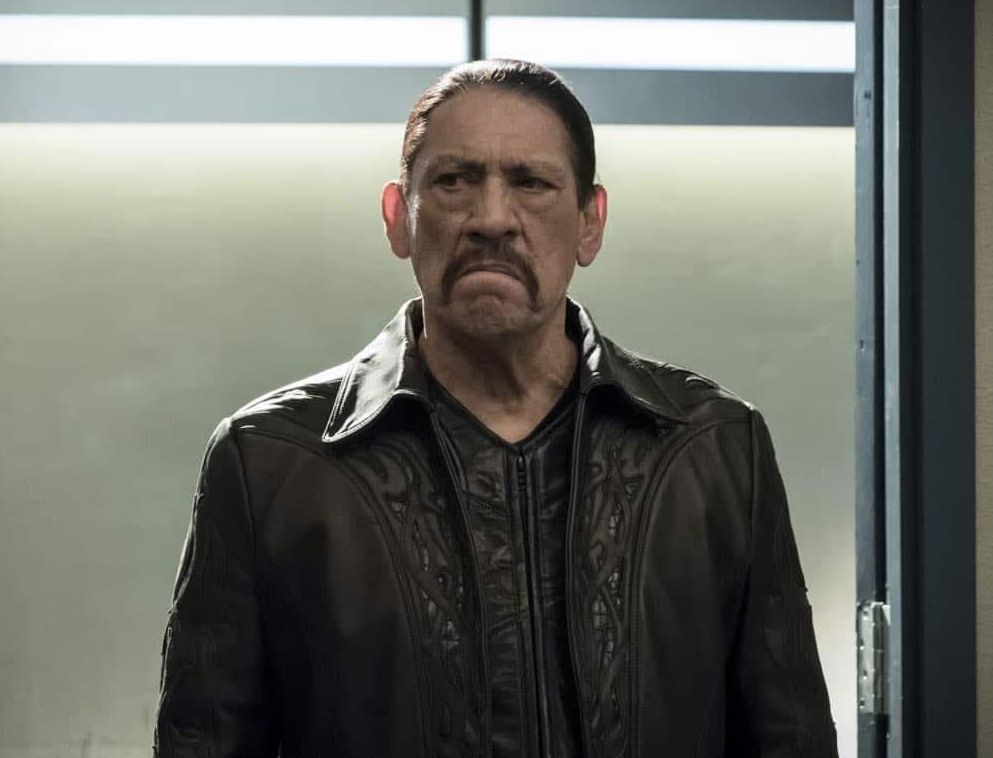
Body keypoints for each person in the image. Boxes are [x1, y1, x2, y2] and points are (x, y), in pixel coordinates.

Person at [153, 59, 838, 758]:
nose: (491, 219)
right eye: (454, 181)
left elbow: (791, 738)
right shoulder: (272, 461)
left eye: (530, 182)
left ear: (590, 223)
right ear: (397, 218)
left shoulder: (713, 448)